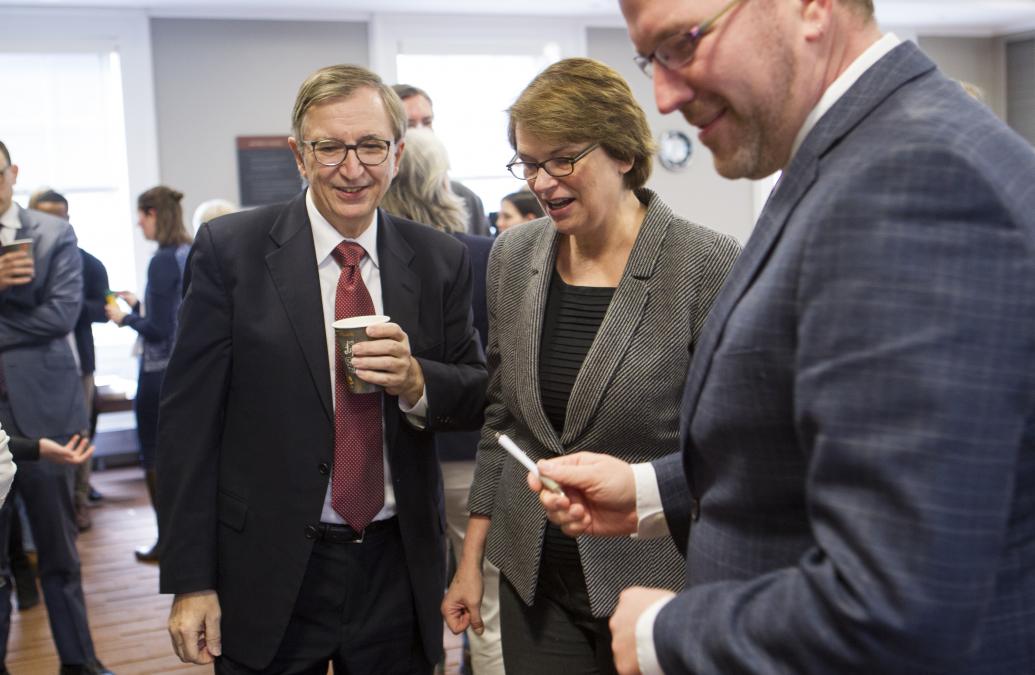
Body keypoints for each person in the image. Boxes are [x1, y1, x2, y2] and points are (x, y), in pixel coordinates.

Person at [534, 1, 1035, 673]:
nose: (664, 94)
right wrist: (652, 490)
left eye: (683, 44)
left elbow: (894, 605)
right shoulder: (855, 154)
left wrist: (665, 631)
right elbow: (825, 448)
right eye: (650, 60)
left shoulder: (912, 179)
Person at [156, 64, 487, 673]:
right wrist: (190, 580)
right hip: (268, 564)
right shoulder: (232, 253)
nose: (352, 167)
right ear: (298, 156)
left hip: (396, 563)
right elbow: (186, 427)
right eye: (329, 147)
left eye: (370, 146)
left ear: (397, 153)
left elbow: (474, 395)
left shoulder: (439, 260)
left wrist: (417, 382)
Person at [443, 57, 739, 675]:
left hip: (654, 583)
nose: (542, 182)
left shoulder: (704, 264)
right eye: (527, 162)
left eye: (562, 159)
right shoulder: (514, 255)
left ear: (624, 153)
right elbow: (502, 421)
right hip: (532, 581)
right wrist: (471, 561)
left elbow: (727, 449)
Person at [382, 126, 500, 674]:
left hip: (405, 467)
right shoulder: (486, 255)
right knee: (489, 611)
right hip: (472, 458)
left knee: (411, 610)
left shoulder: (379, 266)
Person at [0, 140, 114, 675]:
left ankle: (80, 662)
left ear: (13, 172)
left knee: (59, 552)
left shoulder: (52, 233)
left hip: (45, 408)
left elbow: (61, 315)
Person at [105, 186, 191, 563]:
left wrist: (125, 318)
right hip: (184, 372)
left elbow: (157, 329)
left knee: (154, 456)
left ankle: (166, 541)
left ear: (155, 213)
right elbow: (176, 316)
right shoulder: (188, 252)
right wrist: (140, 305)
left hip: (158, 374)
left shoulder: (161, 261)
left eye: (142, 214)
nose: (138, 222)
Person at [29, 189, 110, 532]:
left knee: (80, 432)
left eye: (61, 218)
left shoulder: (88, 262)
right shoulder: (20, 261)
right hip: (32, 366)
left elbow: (105, 309)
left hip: (79, 365)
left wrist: (66, 308)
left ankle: (78, 502)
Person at [391, 84, 491, 237]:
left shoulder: (466, 199)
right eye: (409, 125)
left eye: (427, 122)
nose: (421, 132)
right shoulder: (374, 201)